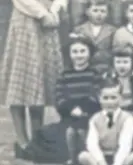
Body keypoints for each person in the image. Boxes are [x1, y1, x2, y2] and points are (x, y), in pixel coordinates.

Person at [0, 0, 67, 154]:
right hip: (26, 15)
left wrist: (53, 11)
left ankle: (37, 138)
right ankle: (22, 139)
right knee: (21, 80)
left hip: (49, 17)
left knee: (40, 81)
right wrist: (40, 12)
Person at [20, 34, 101, 164]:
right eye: (75, 52)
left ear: (89, 53)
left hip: (89, 118)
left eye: (82, 51)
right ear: (69, 54)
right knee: (44, 134)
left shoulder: (95, 74)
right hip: (69, 118)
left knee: (80, 136)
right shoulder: (64, 75)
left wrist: (83, 109)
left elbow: (96, 95)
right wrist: (70, 109)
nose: (79, 55)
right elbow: (60, 97)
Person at [78, 79, 133, 165]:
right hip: (101, 158)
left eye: (113, 98)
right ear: (99, 98)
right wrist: (101, 161)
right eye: (105, 98)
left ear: (121, 98)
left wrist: (117, 163)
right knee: (83, 156)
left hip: (121, 158)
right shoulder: (95, 119)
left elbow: (125, 145)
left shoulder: (127, 118)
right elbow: (92, 144)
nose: (109, 102)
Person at [105, 43, 133, 146]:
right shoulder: (108, 77)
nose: (121, 66)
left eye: (125, 62)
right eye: (118, 62)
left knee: (132, 124)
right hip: (116, 112)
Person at [73, 0, 116, 74]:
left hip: (105, 69)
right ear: (87, 11)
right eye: (95, 10)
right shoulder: (79, 30)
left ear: (108, 13)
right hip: (85, 69)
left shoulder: (113, 31)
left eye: (103, 11)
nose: (99, 14)